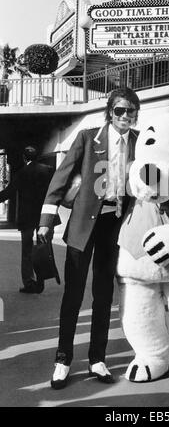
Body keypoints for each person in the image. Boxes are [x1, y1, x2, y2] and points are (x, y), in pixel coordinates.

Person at [38, 87, 140, 389]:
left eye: (131, 111)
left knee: (103, 295)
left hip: (115, 225)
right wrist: (46, 220)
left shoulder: (139, 142)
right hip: (84, 224)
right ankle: (63, 359)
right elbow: (61, 177)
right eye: (120, 110)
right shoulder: (88, 137)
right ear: (110, 112)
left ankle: (98, 358)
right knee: (73, 294)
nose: (125, 116)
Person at [0, 146, 55, 294]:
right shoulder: (49, 170)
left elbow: (8, 192)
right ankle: (41, 282)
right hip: (45, 216)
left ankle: (30, 283)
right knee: (43, 249)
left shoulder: (21, 173)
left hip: (27, 218)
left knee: (27, 251)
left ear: (24, 158)